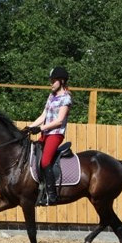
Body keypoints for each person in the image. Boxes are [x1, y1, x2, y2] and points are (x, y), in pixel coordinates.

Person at [26, 66, 72, 206]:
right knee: (33, 156)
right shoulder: (52, 96)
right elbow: (44, 115)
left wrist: (41, 128)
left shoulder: (67, 98)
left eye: (53, 81)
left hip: (56, 134)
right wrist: (30, 127)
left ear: (62, 81)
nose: (51, 83)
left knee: (45, 161)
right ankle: (38, 189)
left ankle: (51, 195)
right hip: (45, 133)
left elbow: (59, 121)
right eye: (51, 80)